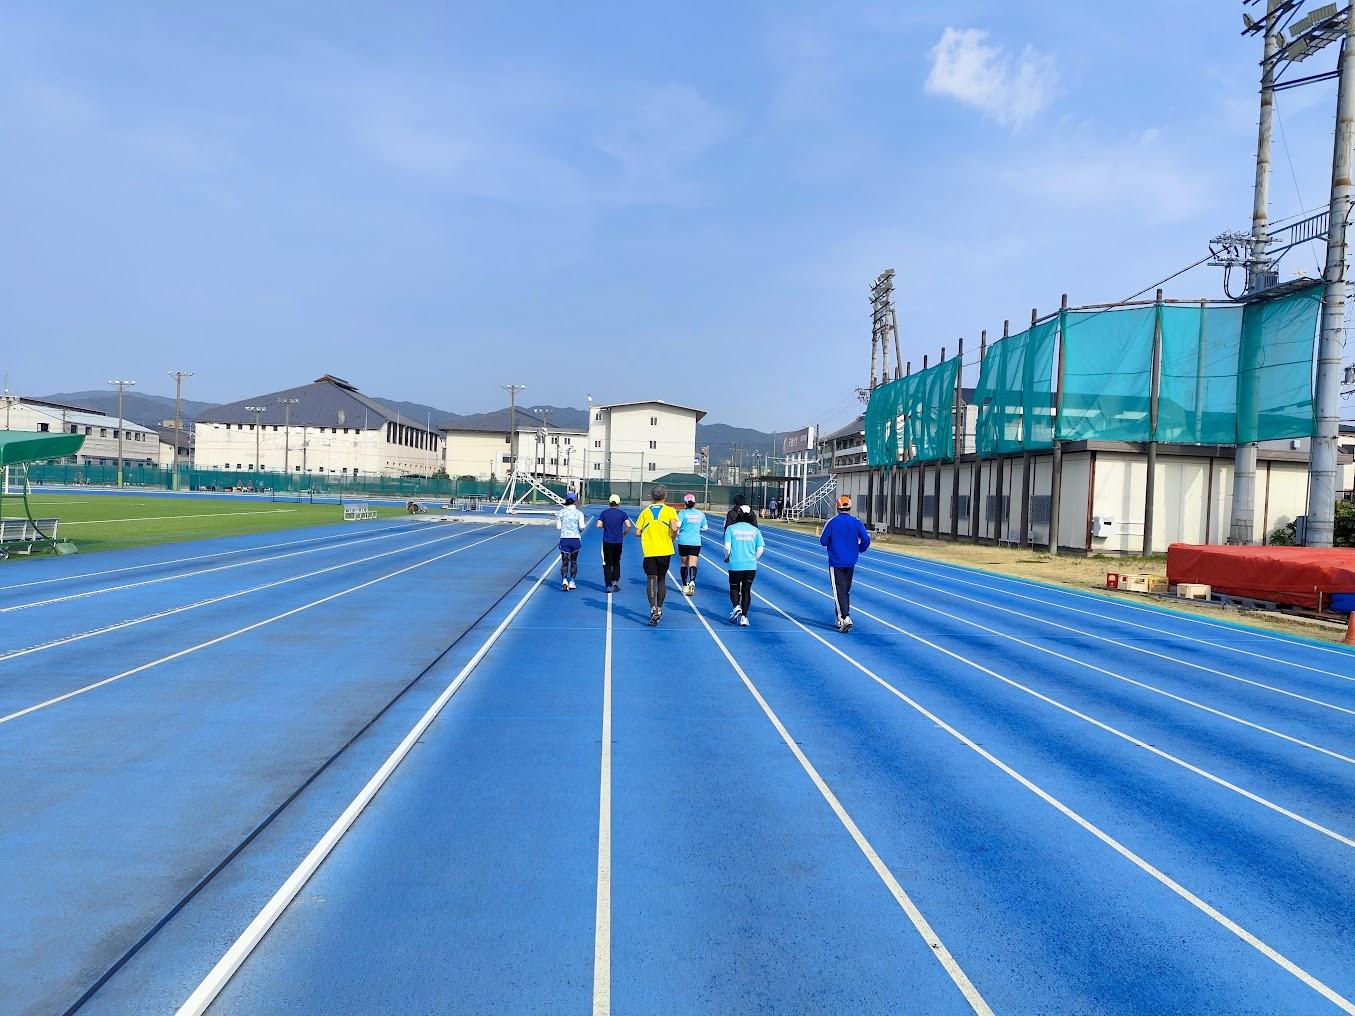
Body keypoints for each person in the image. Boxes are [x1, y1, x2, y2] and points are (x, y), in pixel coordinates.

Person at [819, 494, 871, 631]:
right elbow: (866, 539)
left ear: (837, 507)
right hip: (851, 561)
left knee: (838, 592)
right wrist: (859, 549)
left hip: (836, 561)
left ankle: (845, 618)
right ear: (850, 507)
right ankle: (840, 618)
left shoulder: (832, 522)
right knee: (845, 591)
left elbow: (823, 541)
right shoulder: (857, 522)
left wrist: (833, 542)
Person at [634, 484, 680, 626]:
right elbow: (674, 528)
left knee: (651, 579)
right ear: (665, 496)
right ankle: (659, 609)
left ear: (652, 497)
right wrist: (672, 537)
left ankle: (653, 608)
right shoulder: (670, 511)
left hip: (649, 551)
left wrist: (647, 533)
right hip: (665, 550)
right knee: (662, 579)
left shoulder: (645, 512)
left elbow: (637, 532)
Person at [723, 504, 765, 627]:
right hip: (750, 566)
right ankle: (744, 617)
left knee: (734, 588)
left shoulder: (731, 529)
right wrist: (753, 559)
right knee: (746, 590)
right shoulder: (755, 530)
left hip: (735, 564)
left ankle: (736, 606)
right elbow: (760, 549)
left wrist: (727, 557)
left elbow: (727, 547)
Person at [595, 493, 632, 592]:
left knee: (607, 563)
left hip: (607, 541)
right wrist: (624, 534)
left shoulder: (604, 513)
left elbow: (598, 525)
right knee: (616, 562)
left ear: (609, 503)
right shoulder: (622, 514)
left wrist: (606, 526)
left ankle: (608, 585)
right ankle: (615, 581)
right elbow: (628, 525)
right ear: (619, 503)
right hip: (618, 542)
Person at [676, 493, 708, 596]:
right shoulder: (701, 514)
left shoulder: (682, 513)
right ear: (694, 503)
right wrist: (697, 529)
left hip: (683, 541)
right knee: (693, 563)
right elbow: (705, 528)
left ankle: (685, 585)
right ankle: (692, 581)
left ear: (685, 503)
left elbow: (678, 525)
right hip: (695, 542)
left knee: (684, 564)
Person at [555, 491, 588, 591]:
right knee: (574, 561)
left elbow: (558, 527)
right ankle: (572, 582)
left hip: (564, 539)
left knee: (564, 561)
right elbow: (582, 527)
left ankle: (564, 580)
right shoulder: (579, 513)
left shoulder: (561, 513)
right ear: (575, 501)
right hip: (575, 539)